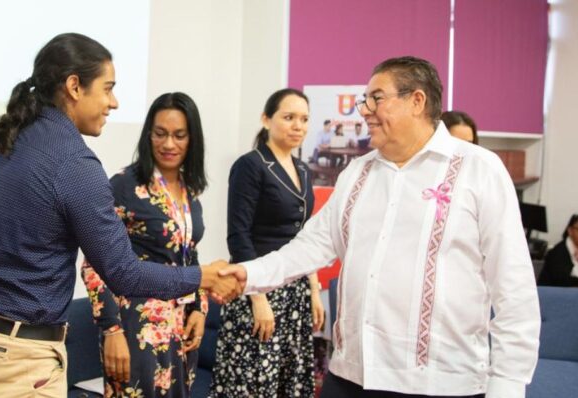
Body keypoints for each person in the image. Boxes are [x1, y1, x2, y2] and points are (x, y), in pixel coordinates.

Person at [220, 56, 540, 398]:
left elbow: (513, 285)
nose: (365, 110)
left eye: (377, 98)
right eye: (364, 100)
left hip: (441, 384)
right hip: (349, 376)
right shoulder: (357, 173)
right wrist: (247, 274)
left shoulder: (479, 169)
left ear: (417, 101)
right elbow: (309, 246)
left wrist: (508, 384)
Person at [0, 33, 240, 397]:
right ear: (74, 87)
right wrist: (203, 277)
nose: (113, 103)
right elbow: (123, 273)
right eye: (107, 88)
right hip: (18, 362)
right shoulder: (74, 165)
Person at [80, 92, 208, 397]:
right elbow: (94, 260)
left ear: (193, 139)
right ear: (148, 134)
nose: (168, 144)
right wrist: (111, 329)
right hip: (137, 328)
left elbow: (189, 254)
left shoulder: (189, 191)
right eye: (160, 134)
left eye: (179, 135)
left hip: (182, 327)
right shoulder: (125, 185)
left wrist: (200, 310)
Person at [210, 88, 325, 397]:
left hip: (295, 290)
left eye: (303, 119)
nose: (298, 126)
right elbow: (238, 236)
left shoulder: (302, 168)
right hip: (256, 287)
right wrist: (257, 296)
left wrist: (313, 289)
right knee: (255, 381)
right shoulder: (251, 165)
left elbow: (304, 235)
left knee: (290, 381)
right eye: (288, 117)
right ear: (266, 119)